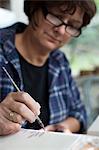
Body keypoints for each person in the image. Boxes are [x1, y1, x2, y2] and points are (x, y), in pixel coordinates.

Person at [0, 0, 96, 135]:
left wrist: (61, 127)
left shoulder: (60, 61)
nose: (61, 30)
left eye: (73, 26)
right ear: (34, 9)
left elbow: (79, 113)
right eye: (56, 17)